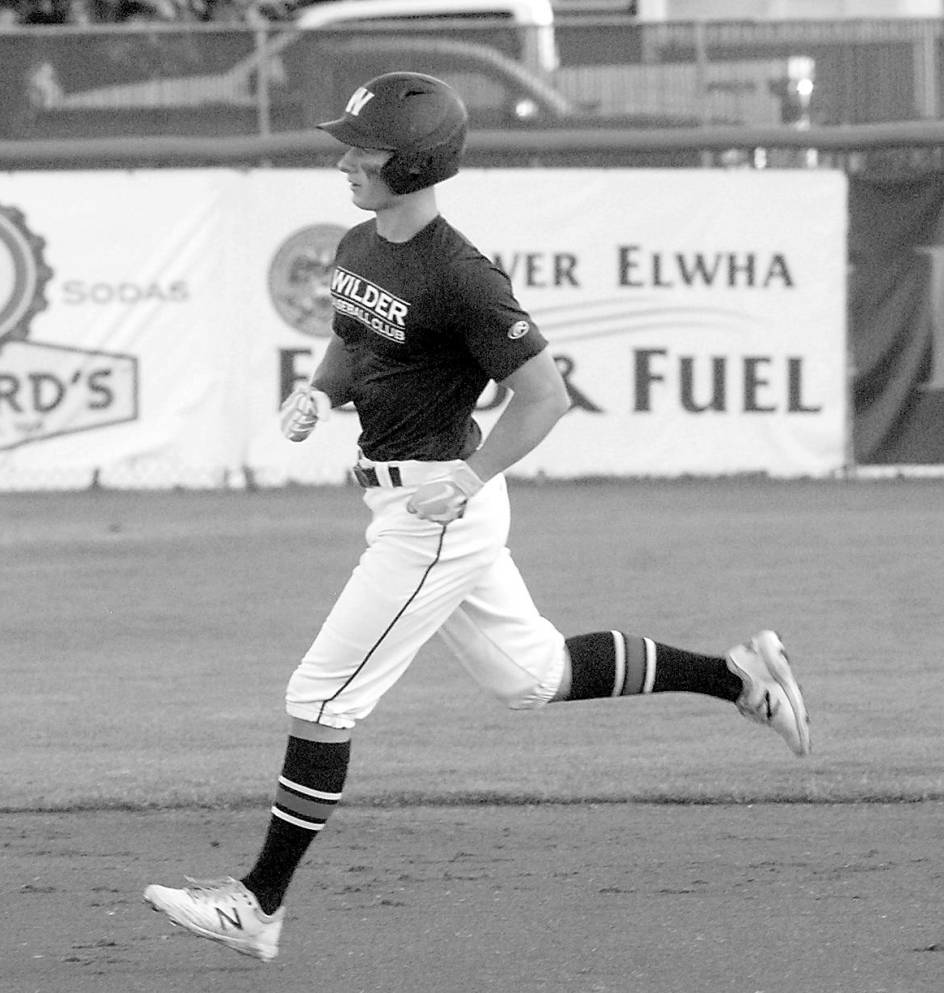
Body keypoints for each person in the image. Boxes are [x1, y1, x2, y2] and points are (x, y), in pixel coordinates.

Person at [143, 71, 812, 963]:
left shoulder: (462, 275)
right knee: (531, 675)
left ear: (414, 163)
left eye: (364, 149)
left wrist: (470, 475)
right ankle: (734, 677)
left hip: (437, 513)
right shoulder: (359, 241)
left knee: (321, 697)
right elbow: (352, 339)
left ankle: (258, 904)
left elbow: (546, 395)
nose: (346, 161)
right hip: (409, 500)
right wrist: (319, 393)